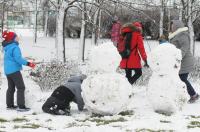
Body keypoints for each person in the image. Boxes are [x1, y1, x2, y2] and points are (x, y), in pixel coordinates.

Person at [2, 30, 36, 111]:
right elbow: (18, 59)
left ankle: (9, 105)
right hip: (14, 71)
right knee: (21, 87)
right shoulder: (15, 47)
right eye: (16, 36)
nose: (18, 37)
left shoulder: (7, 47)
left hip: (7, 71)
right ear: (12, 39)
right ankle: (21, 106)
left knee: (11, 88)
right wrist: (29, 64)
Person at [169, 20, 199, 103]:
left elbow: (184, 49)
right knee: (179, 79)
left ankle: (193, 95)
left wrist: (176, 58)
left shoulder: (183, 35)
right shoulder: (175, 35)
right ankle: (185, 95)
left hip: (185, 61)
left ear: (177, 26)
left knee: (182, 78)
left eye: (173, 26)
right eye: (171, 26)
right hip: (180, 61)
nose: (171, 27)